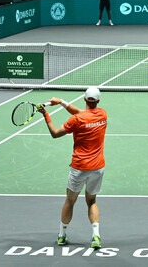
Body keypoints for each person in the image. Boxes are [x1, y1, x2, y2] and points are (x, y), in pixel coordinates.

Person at [37, 87, 107, 250]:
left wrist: (46, 114)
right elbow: (82, 114)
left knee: (70, 200)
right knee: (92, 201)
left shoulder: (76, 120)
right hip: (97, 168)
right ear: (98, 101)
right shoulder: (102, 114)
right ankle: (96, 236)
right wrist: (61, 102)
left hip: (79, 168)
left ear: (84, 99)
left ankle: (62, 235)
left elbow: (55, 133)